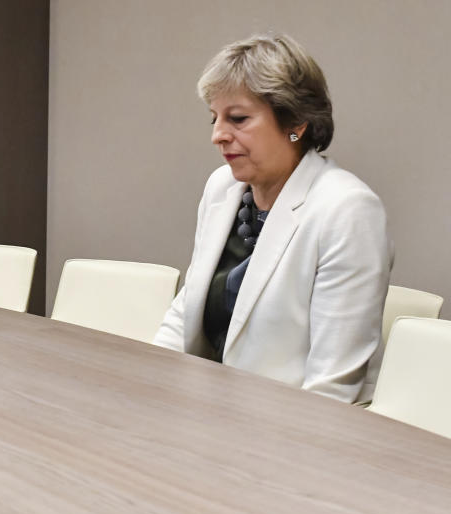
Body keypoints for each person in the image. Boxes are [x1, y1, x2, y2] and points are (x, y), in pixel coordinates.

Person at [153, 34, 392, 404]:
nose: (218, 135)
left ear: (295, 122)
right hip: (206, 409)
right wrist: (148, 386)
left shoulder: (348, 210)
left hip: (293, 432)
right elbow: (185, 312)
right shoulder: (222, 188)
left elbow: (332, 386)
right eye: (214, 118)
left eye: (238, 118)